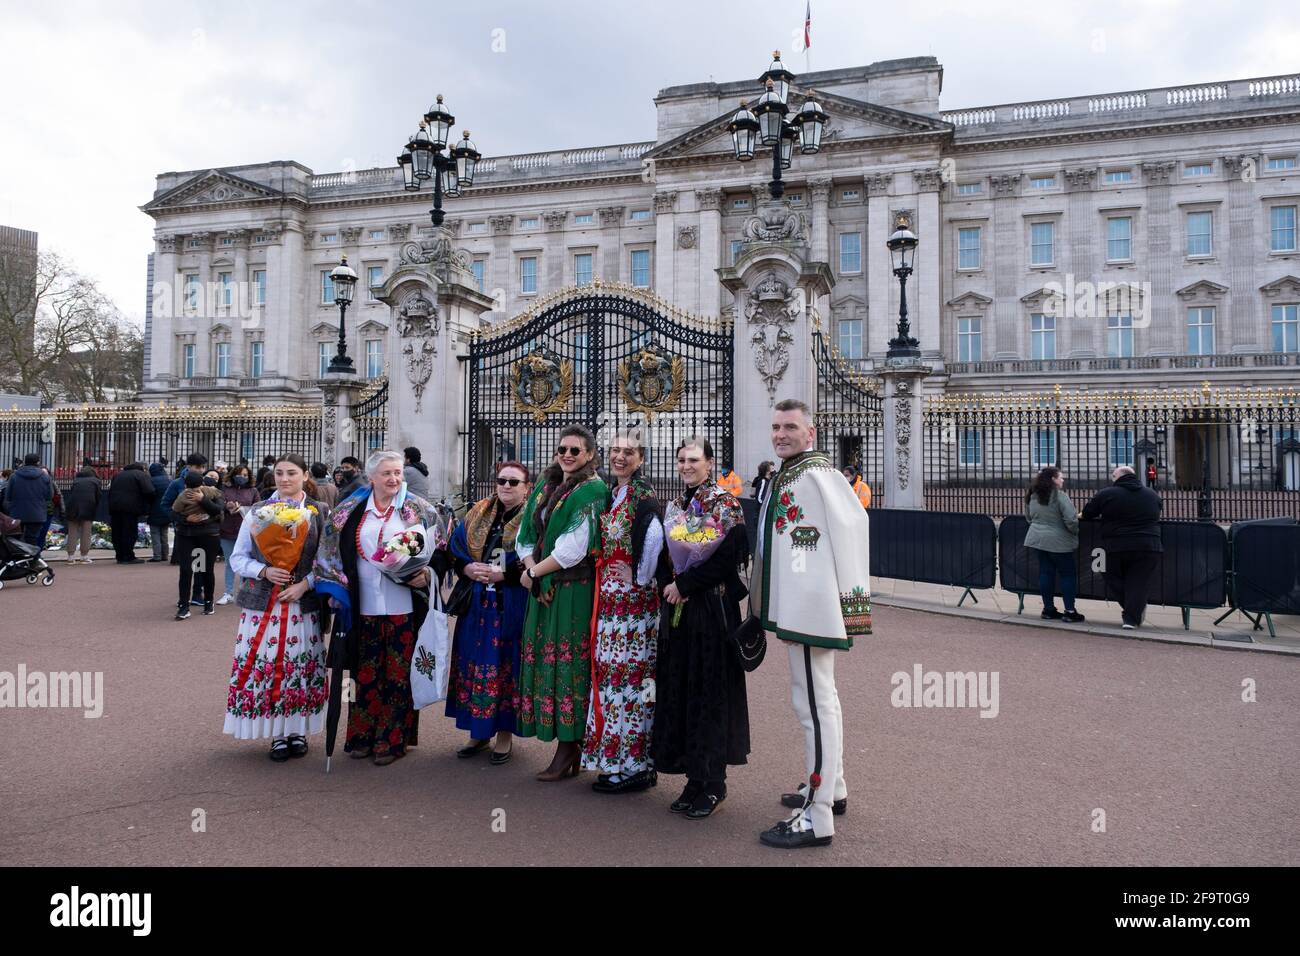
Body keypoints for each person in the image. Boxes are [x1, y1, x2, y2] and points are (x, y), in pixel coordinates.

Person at [750, 399, 871, 850]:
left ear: (811, 432)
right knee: (819, 700)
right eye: (776, 427)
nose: (780, 434)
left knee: (814, 706)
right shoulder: (795, 471)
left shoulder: (817, 474)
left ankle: (817, 816)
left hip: (810, 607)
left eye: (790, 427)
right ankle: (830, 787)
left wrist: (851, 606)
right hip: (800, 604)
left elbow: (853, 531)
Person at [313, 450, 443, 765]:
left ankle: (392, 739)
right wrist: (335, 588)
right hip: (362, 605)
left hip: (404, 605)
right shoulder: (348, 510)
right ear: (371, 477)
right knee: (362, 673)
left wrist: (426, 574)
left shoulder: (418, 508)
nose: (394, 479)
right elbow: (329, 552)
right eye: (387, 474)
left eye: (398, 473)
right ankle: (361, 735)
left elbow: (440, 547)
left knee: (398, 675)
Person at [653, 437, 750, 818]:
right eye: (681, 460)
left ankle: (714, 782)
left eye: (694, 459)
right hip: (681, 609)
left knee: (711, 692)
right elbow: (666, 552)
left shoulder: (725, 504)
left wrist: (686, 585)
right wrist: (669, 581)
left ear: (710, 463)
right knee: (683, 687)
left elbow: (730, 556)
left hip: (712, 609)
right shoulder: (677, 506)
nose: (687, 465)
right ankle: (693, 776)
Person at [515, 424, 609, 781]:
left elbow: (574, 548)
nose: (567, 455)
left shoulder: (592, 490)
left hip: (573, 590)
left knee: (570, 664)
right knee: (546, 661)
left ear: (589, 455)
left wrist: (536, 574)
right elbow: (526, 534)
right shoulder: (545, 483)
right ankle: (565, 745)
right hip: (542, 583)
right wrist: (531, 571)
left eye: (575, 451)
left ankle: (571, 744)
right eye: (563, 449)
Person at [224, 453, 328, 760]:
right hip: (263, 604)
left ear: (305, 475)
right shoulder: (258, 511)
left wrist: (304, 584)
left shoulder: (319, 511)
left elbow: (328, 560)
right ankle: (277, 734)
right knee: (268, 663)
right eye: (279, 473)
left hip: (301, 603)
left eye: (291, 473)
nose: (284, 479)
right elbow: (238, 558)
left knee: (299, 664)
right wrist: (265, 571)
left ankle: (297, 730)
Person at [582, 433, 664, 794]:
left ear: (640, 458)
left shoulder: (642, 495)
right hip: (611, 601)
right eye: (615, 451)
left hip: (634, 605)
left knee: (633, 679)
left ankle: (636, 764)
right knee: (613, 677)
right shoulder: (614, 494)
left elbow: (656, 537)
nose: (620, 457)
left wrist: (641, 575)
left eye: (628, 452)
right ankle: (618, 760)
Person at [445, 461, 531, 765]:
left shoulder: (531, 518)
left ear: (526, 488)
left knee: (506, 663)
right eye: (502, 480)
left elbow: (537, 555)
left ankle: (504, 734)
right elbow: (454, 549)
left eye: (514, 482)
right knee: (472, 662)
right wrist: (466, 567)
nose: (506, 486)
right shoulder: (478, 512)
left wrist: (502, 574)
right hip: (476, 603)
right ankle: (478, 732)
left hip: (510, 601)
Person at [1081, 466, 1163, 629]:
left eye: (1113, 476)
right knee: (1139, 582)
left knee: (1108, 574)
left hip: (1115, 545)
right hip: (1149, 545)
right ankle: (1132, 617)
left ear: (1117, 477)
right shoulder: (1152, 495)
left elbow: (1088, 512)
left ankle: (1133, 610)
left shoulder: (1107, 493)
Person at [1024, 466, 1084, 623]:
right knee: (1068, 574)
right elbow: (1071, 520)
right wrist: (1074, 531)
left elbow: (1029, 517)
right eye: (1060, 477)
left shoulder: (1033, 495)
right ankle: (1070, 611)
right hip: (1058, 541)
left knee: (1046, 573)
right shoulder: (1060, 496)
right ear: (1053, 480)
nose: (1063, 480)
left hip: (1038, 539)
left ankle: (1048, 609)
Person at [171, 469, 224, 619]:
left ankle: (208, 601)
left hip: (208, 535)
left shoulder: (210, 492)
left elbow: (218, 510)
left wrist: (202, 499)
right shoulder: (184, 494)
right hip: (187, 535)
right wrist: (186, 519)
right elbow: (173, 512)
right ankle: (183, 605)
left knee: (206, 569)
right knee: (187, 570)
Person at [217, 464, 258, 605]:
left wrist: (244, 509)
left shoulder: (253, 490)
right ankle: (228, 593)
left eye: (245, 475)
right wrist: (227, 506)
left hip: (245, 530)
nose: (242, 477)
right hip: (227, 529)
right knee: (229, 562)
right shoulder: (225, 489)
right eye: (240, 474)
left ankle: (243, 590)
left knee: (245, 561)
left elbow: (258, 509)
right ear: (234, 475)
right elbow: (218, 504)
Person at [2, 453, 52, 548]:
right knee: (32, 538)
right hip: (37, 513)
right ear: (38, 462)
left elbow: (7, 496)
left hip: (17, 512)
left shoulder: (14, 476)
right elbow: (49, 496)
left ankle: (19, 559)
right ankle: (32, 559)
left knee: (16, 538)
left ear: (25, 462)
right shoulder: (45, 476)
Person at [107, 462, 154, 564]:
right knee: (129, 532)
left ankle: (119, 555)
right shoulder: (140, 475)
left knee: (117, 532)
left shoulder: (117, 475)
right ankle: (128, 556)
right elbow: (149, 491)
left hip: (115, 506)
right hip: (130, 508)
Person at [63, 466, 101, 564]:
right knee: (86, 533)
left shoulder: (76, 480)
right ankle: (84, 556)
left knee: (72, 532)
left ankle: (70, 557)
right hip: (88, 507)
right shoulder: (96, 481)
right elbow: (98, 496)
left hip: (72, 507)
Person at [146, 462, 172, 562]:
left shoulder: (151, 480)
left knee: (155, 534)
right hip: (166, 510)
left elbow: (148, 495)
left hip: (154, 510)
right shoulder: (169, 480)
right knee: (164, 534)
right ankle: (165, 555)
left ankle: (157, 556)